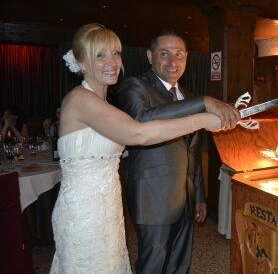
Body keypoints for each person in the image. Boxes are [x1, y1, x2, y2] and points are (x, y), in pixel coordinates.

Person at [50, 23, 240, 274]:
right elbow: (139, 132)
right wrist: (204, 117)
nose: (112, 62)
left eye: (116, 53)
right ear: (81, 62)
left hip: (108, 207)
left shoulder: (103, 103)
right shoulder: (80, 99)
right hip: (85, 213)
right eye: (100, 55)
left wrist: (199, 194)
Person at [116, 29, 237, 274]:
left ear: (187, 58)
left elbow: (191, 151)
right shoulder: (135, 86)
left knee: (179, 264)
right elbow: (142, 120)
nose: (173, 62)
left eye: (179, 55)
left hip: (186, 197)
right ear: (150, 57)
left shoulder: (187, 96)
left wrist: (200, 196)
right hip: (153, 197)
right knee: (153, 265)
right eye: (165, 54)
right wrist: (203, 102)